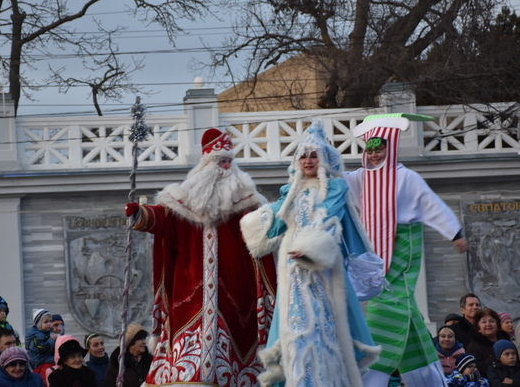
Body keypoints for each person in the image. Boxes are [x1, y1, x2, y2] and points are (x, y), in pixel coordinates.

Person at [124, 128, 277, 386]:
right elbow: (161, 218)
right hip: (189, 295)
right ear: (205, 163)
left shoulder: (248, 203)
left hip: (237, 297)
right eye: (220, 161)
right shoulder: (183, 201)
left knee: (236, 357)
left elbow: (266, 235)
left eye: (229, 161)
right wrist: (140, 214)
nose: (225, 167)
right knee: (187, 367)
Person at [240, 120, 380, 386]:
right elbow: (271, 222)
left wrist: (308, 250)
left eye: (313, 155)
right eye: (303, 155)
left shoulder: (335, 188)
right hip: (293, 275)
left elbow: (327, 218)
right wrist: (248, 219)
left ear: (324, 159)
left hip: (323, 271)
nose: (308, 160)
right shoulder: (292, 193)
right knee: (295, 332)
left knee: (324, 331)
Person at [343, 114, 468, 387]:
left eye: (380, 148)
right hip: (374, 248)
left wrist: (454, 233)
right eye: (370, 149)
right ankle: (429, 380)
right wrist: (318, 163)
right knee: (404, 310)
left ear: (391, 148)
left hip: (403, 245)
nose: (375, 154)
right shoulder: (361, 176)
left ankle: (371, 377)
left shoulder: (406, 177)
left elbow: (430, 203)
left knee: (387, 302)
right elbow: (337, 182)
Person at [466, 308, 511, 378]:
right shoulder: (473, 347)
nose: (488, 324)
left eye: (491, 321)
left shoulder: (507, 342)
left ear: (498, 325)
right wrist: (496, 358)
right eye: (484, 322)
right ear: (478, 328)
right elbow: (475, 369)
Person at [24, 308, 56, 379]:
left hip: (42, 356)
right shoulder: (38, 335)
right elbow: (42, 348)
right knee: (57, 360)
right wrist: (51, 340)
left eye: (50, 321)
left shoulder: (45, 332)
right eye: (46, 322)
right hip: (38, 359)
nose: (49, 324)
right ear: (38, 324)